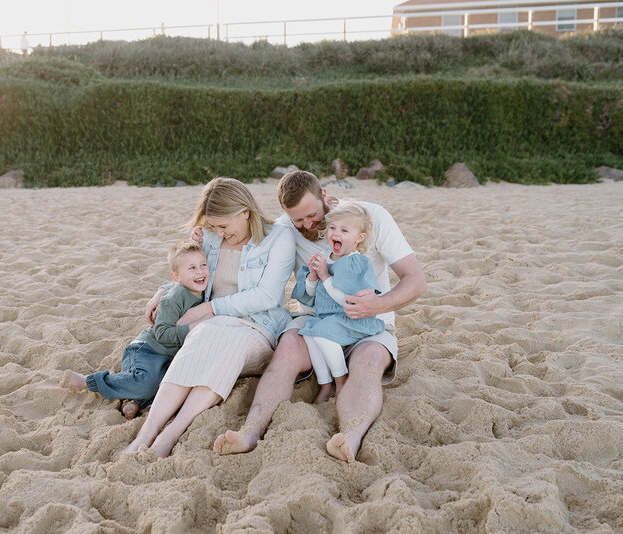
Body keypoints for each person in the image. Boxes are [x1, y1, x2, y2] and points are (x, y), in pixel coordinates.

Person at [213, 170, 426, 463]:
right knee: (285, 351)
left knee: (369, 363)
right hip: (316, 318)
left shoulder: (371, 217)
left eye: (313, 215)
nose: (309, 225)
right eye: (298, 220)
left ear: (325, 196)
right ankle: (250, 432)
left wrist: (377, 305)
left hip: (368, 320)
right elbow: (236, 242)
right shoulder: (286, 230)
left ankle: (349, 437)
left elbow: (415, 280)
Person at [123, 177, 295, 458]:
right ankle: (146, 434)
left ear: (245, 213)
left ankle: (171, 433)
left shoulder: (278, 238)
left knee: (218, 336)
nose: (218, 232)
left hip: (256, 326)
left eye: (224, 226)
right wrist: (163, 291)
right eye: (213, 226)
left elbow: (266, 295)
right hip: (211, 326)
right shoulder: (211, 237)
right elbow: (194, 275)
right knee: (201, 335)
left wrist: (210, 309)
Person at [60, 240, 209, 419]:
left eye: (203, 265)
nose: (200, 271)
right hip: (147, 351)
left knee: (173, 385)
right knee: (146, 382)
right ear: (176, 277)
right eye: (191, 268)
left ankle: (137, 402)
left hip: (167, 358)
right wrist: (192, 327)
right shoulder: (173, 299)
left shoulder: (203, 291)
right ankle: (88, 381)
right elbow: (162, 334)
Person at [291, 201, 385, 404]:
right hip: (327, 318)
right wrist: (313, 277)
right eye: (333, 228)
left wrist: (325, 276)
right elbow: (311, 294)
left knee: (323, 336)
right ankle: (325, 383)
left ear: (359, 238)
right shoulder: (325, 257)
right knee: (309, 335)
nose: (336, 233)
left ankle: (340, 380)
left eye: (344, 230)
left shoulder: (356, 262)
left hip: (349, 317)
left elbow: (348, 301)